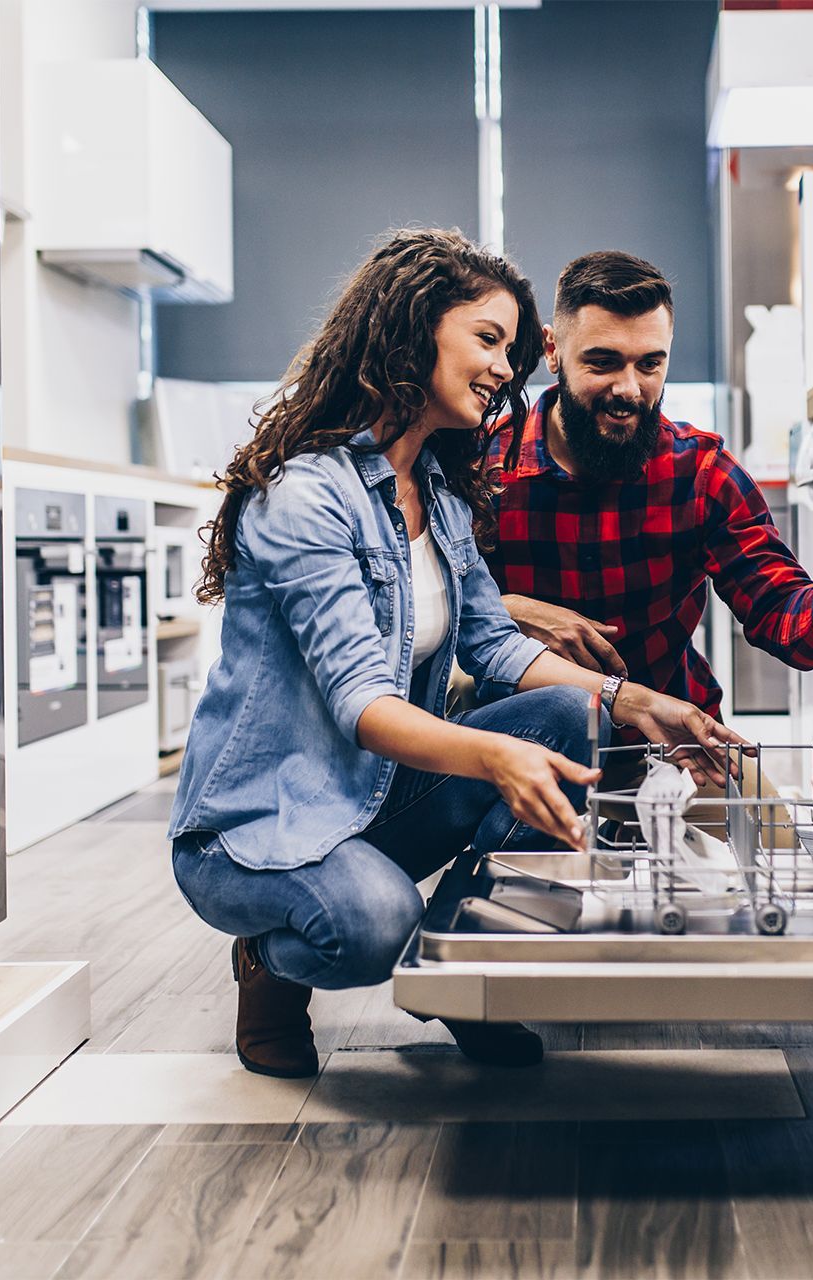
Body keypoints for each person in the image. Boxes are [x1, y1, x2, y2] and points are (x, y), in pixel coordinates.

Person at [166, 230, 742, 1079]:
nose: (506, 370)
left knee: (570, 712)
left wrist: (636, 702)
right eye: (487, 340)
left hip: (368, 801)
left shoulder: (432, 486)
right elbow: (364, 707)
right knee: (372, 924)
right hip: (259, 824)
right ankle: (268, 962)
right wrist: (497, 754)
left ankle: (468, 974)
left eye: (510, 349)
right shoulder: (305, 494)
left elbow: (494, 642)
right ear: (410, 330)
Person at [484, 251, 813, 756]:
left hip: (673, 755)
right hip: (516, 757)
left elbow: (790, 628)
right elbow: (414, 619)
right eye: (603, 362)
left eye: (650, 364)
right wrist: (503, 612)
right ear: (552, 350)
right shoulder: (482, 469)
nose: (628, 389)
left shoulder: (701, 475)